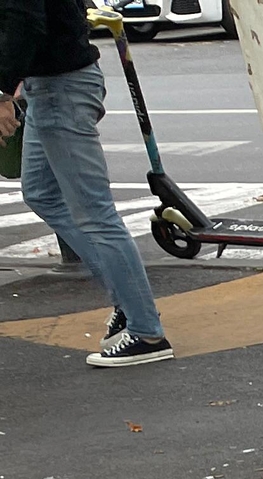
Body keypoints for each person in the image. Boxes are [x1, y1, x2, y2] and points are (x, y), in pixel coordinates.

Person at [0, 0, 173, 365]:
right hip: (49, 85)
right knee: (42, 193)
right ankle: (129, 301)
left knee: (95, 213)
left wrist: (1, 91)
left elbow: (25, 22)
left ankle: (146, 333)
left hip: (60, 88)